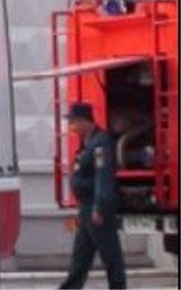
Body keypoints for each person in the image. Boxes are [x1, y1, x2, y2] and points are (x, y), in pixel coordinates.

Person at [59, 102, 127, 289]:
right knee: (80, 260)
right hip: (86, 210)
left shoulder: (100, 144)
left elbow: (102, 176)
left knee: (111, 258)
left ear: (83, 121)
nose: (71, 126)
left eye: (73, 122)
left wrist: (99, 207)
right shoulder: (88, 143)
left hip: (97, 210)